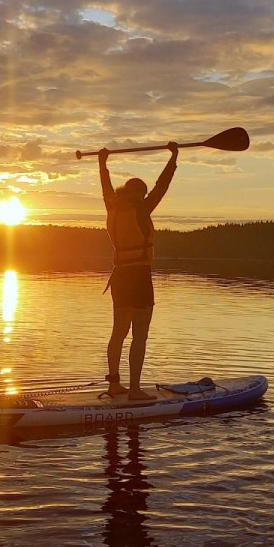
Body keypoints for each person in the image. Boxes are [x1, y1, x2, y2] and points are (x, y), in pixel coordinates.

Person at [99, 142, 178, 401]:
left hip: (119, 277)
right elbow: (162, 187)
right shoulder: (142, 209)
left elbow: (104, 187)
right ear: (138, 194)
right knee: (140, 335)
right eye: (143, 193)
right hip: (139, 277)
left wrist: (102, 162)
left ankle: (114, 385)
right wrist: (173, 157)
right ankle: (134, 390)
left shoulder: (112, 207)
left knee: (118, 333)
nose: (146, 196)